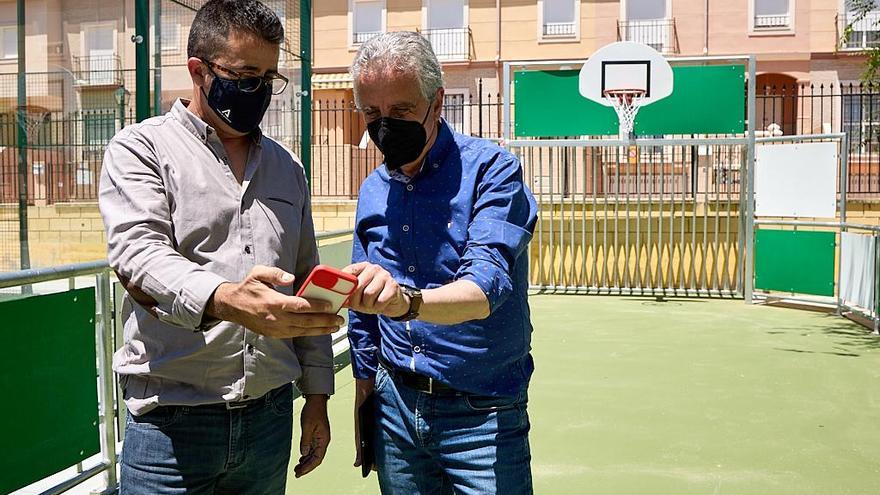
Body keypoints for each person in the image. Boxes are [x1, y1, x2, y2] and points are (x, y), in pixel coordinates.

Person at [98, 1, 340, 493]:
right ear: (197, 70)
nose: (259, 90)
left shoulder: (287, 168)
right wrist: (229, 300)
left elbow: (307, 281)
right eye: (245, 74)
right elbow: (139, 255)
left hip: (269, 421)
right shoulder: (140, 149)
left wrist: (316, 398)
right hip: (172, 426)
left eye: (269, 77)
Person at [344, 32, 539, 494]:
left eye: (401, 112)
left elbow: (486, 287)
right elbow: (362, 309)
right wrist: (365, 392)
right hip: (394, 409)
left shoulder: (492, 171)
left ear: (437, 102)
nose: (385, 125)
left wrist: (406, 303)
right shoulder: (373, 188)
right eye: (372, 113)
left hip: (482, 410)